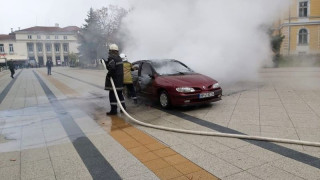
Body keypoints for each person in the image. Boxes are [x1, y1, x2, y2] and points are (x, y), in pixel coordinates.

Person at [103, 44, 126, 115]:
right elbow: (112, 65)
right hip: (119, 80)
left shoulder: (111, 57)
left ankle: (113, 110)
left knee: (112, 95)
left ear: (111, 51)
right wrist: (105, 62)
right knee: (120, 94)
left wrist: (109, 75)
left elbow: (112, 68)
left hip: (114, 80)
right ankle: (123, 108)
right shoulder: (119, 58)